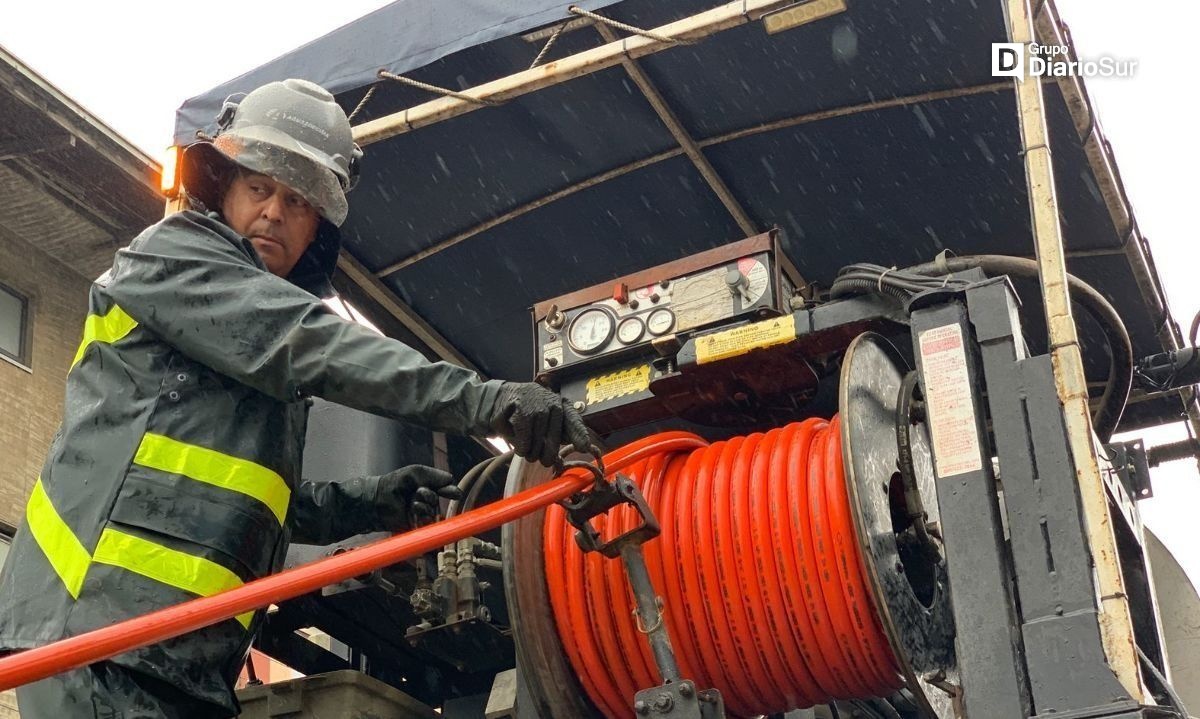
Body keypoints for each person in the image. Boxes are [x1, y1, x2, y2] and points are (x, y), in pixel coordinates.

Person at [0, 78, 589, 718]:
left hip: (172, 655)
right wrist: (489, 402)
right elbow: (320, 345)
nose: (275, 212)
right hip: (98, 635)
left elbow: (237, 497)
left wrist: (366, 502)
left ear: (317, 228)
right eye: (260, 188)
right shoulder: (177, 259)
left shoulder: (247, 328)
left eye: (298, 201)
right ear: (223, 188)